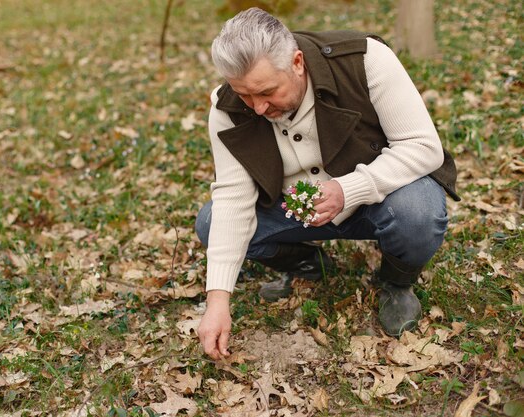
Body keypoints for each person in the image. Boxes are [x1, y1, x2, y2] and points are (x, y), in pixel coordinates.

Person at [195, 7, 459, 360]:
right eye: (245, 96)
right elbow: (233, 197)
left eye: (267, 91)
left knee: (419, 210)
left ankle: (396, 283)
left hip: (378, 201)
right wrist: (217, 300)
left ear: (298, 63)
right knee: (211, 223)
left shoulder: (365, 60)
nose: (257, 108)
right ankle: (308, 265)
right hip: (294, 210)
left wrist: (349, 189)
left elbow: (424, 147)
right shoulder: (227, 109)